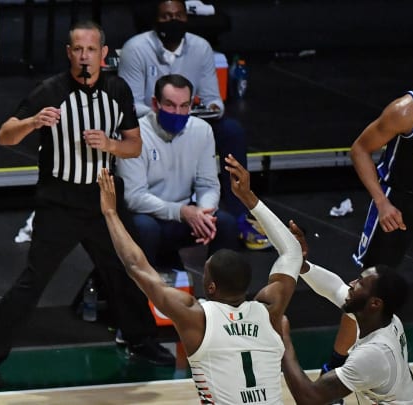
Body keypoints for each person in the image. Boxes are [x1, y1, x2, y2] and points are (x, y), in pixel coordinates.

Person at [0, 20, 175, 389]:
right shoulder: (50, 90)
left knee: (125, 271)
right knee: (34, 280)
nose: (84, 56)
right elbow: (3, 137)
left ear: (104, 54)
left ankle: (140, 340)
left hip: (103, 198)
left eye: (91, 49)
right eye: (78, 49)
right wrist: (31, 121)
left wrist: (109, 146)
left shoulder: (118, 90)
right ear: (69, 53)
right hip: (59, 200)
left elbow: (134, 145)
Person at [98, 152, 303, 404]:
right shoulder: (271, 312)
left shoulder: (197, 317)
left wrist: (110, 213)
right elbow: (292, 251)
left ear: (212, 286)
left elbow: (136, 265)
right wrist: (249, 197)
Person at [117, 0, 270, 251]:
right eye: (166, 16)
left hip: (194, 120)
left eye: (178, 15)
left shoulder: (201, 48)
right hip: (147, 122)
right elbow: (129, 105)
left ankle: (239, 215)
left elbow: (214, 102)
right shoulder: (137, 49)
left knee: (231, 132)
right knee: (145, 226)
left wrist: (204, 211)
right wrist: (171, 112)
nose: (173, 21)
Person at [318, 85, 413, 398]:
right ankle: (334, 368)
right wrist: (381, 202)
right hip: (398, 202)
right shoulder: (406, 110)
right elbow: (360, 149)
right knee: (366, 289)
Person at [280, 225, 413, 404]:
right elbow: (334, 288)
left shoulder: (374, 354)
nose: (352, 283)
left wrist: (283, 342)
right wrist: (302, 265)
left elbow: (310, 398)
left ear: (375, 303)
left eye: (360, 283)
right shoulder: (381, 318)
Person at [116, 73, 239, 270]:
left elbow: (207, 184)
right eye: (170, 105)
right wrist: (182, 212)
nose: (177, 112)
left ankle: (221, 297)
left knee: (225, 224)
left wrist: (204, 214)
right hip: (146, 215)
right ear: (155, 104)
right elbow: (133, 197)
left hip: (184, 215)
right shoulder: (134, 135)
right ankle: (137, 296)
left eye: (184, 106)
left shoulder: (202, 131)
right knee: (145, 228)